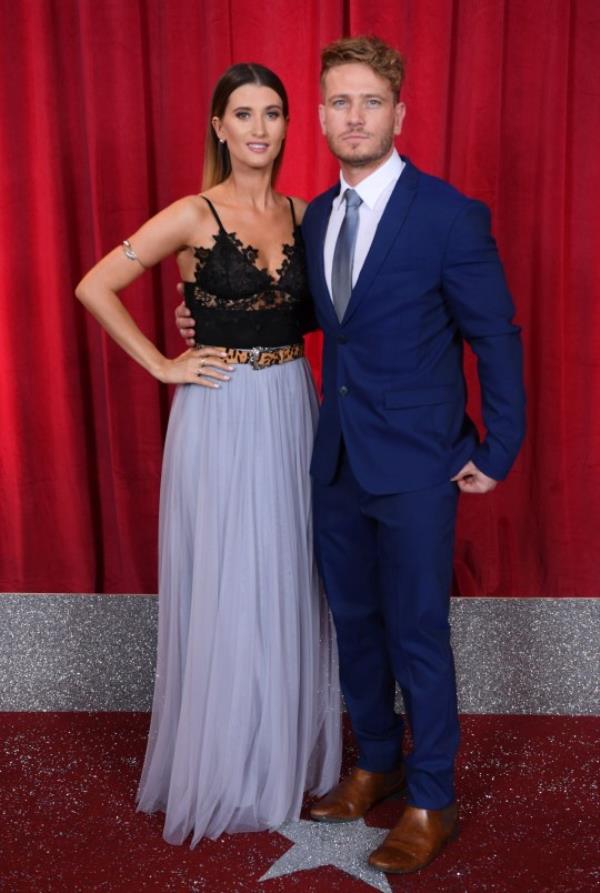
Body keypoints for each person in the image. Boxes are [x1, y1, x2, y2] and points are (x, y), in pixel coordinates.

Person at [176, 36, 525, 876]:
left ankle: (430, 796)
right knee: (355, 625)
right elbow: (313, 315)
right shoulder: (316, 215)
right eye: (338, 102)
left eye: (369, 101)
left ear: (398, 114)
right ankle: (376, 761)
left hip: (417, 465)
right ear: (320, 118)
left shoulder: (448, 214)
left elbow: (496, 336)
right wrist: (205, 327)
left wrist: (499, 445)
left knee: (416, 631)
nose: (354, 116)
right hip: (331, 458)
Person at [75, 62, 342, 846]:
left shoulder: (305, 214)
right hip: (218, 411)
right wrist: (164, 360)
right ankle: (223, 768)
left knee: (286, 578)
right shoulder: (192, 214)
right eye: (243, 114)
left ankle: (274, 760)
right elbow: (95, 285)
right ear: (219, 128)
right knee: (227, 580)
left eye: (272, 114)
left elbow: (331, 313)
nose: (259, 128)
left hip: (292, 406)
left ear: (289, 127)